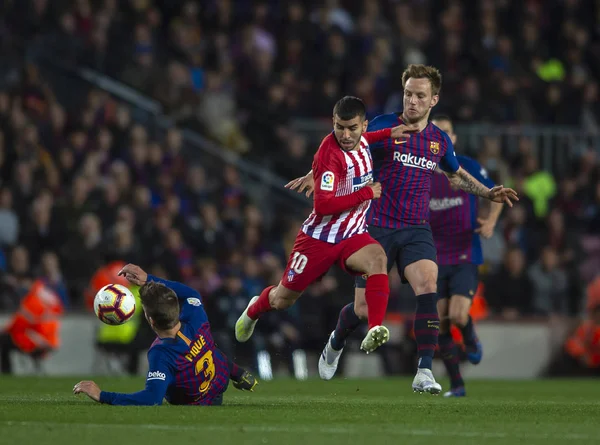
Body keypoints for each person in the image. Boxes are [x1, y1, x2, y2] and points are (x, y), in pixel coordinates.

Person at [286, 64, 518, 394]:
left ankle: (424, 371)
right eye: (408, 93)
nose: (412, 101)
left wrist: (487, 192)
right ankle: (336, 340)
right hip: (375, 227)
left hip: (415, 228)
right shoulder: (382, 126)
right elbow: (343, 147)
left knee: (427, 284)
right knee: (363, 309)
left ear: (433, 100)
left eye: (419, 96)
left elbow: (455, 175)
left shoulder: (437, 141)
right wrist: (316, 173)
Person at [234, 96, 413, 355]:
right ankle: (254, 309)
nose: (346, 134)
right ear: (333, 123)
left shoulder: (362, 138)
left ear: (364, 126)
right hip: (319, 239)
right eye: (340, 127)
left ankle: (375, 328)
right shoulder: (329, 155)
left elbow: (366, 140)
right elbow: (324, 206)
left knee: (378, 259)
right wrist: (366, 193)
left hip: (352, 234)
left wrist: (388, 133)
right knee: (283, 300)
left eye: (352, 128)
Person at [73, 264, 257, 406]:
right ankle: (238, 372)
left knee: (199, 355)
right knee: (209, 347)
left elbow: (151, 398)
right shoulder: (195, 315)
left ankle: (236, 372)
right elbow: (191, 293)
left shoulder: (161, 353)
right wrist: (148, 279)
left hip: (198, 401)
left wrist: (101, 395)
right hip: (217, 384)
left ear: (151, 320)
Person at [429, 115, 503, 397]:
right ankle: (457, 384)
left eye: (446, 133)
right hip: (434, 257)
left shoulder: (467, 167)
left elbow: (495, 193)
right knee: (441, 323)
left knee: (458, 315)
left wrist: (491, 222)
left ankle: (470, 338)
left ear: (454, 138)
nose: (442, 137)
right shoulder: (422, 172)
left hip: (464, 253)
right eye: (437, 132)